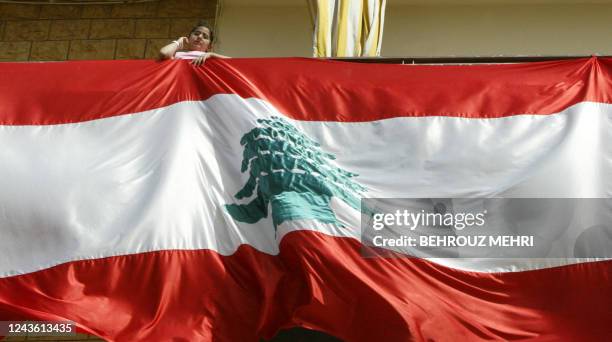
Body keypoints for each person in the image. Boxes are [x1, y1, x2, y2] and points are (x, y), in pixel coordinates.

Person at [159, 21, 229, 66]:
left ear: (209, 46)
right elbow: (164, 53)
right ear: (188, 39)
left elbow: (235, 63)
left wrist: (211, 55)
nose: (200, 37)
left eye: (205, 36)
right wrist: (178, 42)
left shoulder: (211, 57)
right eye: (196, 34)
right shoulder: (178, 55)